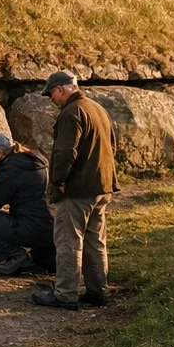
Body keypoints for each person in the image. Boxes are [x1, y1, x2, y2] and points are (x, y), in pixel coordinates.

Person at [32, 71, 117, 310]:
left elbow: (65, 152)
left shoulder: (71, 112)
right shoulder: (97, 108)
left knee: (68, 240)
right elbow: (112, 145)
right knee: (95, 241)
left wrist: (58, 180)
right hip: (102, 186)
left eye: (51, 94)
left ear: (61, 89)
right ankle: (98, 290)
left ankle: (65, 293)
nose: (51, 99)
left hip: (78, 189)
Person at [0, 131, 56, 276]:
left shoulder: (12, 169)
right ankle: (48, 258)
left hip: (31, 228)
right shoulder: (36, 162)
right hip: (53, 228)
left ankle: (14, 258)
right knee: (44, 261)